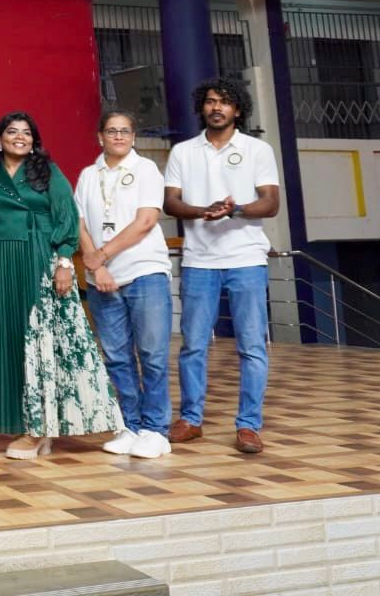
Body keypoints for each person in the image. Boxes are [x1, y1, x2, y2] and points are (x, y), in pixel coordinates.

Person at [0, 112, 122, 459]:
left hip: (40, 260)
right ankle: (29, 423)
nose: (20, 137)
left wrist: (64, 261)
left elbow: (67, 217)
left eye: (27, 133)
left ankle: (38, 428)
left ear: (34, 141)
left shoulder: (48, 173)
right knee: (8, 343)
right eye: (12, 132)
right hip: (1, 262)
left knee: (42, 344)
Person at [164, 77, 280, 455]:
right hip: (199, 261)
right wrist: (204, 211)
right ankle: (191, 420)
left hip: (246, 259)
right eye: (211, 101)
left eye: (225, 103)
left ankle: (248, 426)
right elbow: (171, 203)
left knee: (252, 348)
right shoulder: (183, 151)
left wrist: (236, 210)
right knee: (193, 346)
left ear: (238, 110)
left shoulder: (257, 149)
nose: (217, 108)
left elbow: (271, 203)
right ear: (202, 107)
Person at [74, 110, 173, 460]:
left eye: (125, 131)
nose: (118, 136)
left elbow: (145, 222)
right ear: (99, 136)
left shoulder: (145, 169)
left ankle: (156, 429)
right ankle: (130, 425)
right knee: (116, 356)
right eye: (111, 131)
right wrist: (96, 265)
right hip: (102, 279)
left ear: (133, 136)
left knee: (152, 354)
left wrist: (102, 254)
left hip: (144, 271)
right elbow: (80, 224)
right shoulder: (88, 175)